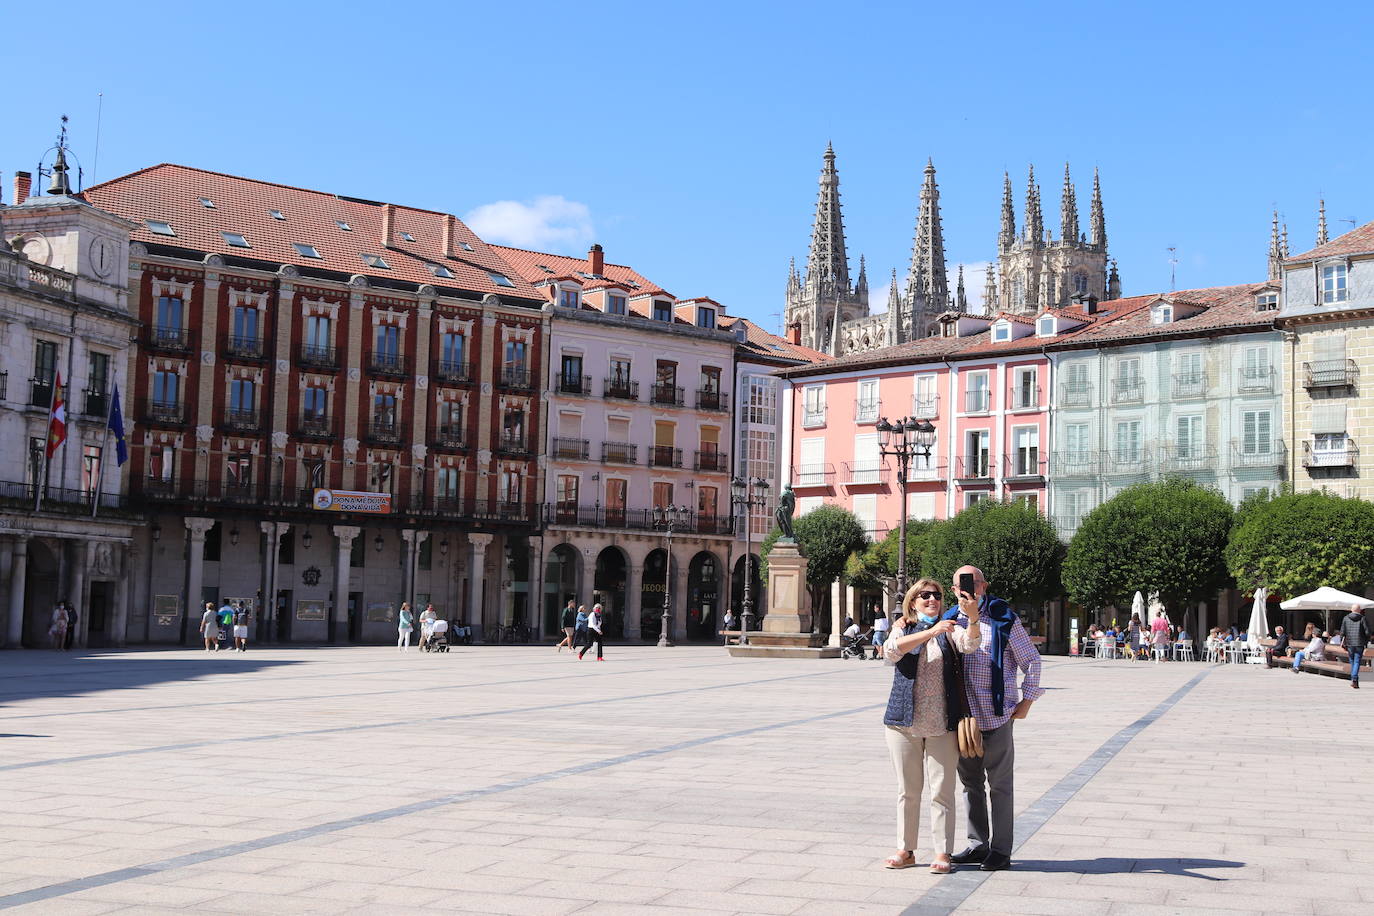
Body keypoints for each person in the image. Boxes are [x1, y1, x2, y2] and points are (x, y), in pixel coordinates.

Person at [948, 566, 1043, 873]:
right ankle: (978, 844)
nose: (967, 589)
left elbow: (1032, 660)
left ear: (984, 585)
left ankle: (1001, 850)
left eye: (973, 583)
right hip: (964, 719)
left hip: (997, 715)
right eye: (960, 584)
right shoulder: (949, 619)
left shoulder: (1004, 618)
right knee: (970, 784)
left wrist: (1028, 699)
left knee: (1000, 785)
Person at [880, 579, 971, 875]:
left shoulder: (951, 628)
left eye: (937, 595)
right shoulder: (902, 627)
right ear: (913, 601)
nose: (932, 599)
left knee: (941, 791)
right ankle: (905, 849)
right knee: (908, 790)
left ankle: (942, 852)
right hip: (903, 722)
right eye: (925, 595)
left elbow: (970, 644)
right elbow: (891, 651)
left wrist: (975, 619)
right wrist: (929, 631)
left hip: (942, 723)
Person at [1338, 604, 1370, 690]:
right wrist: (1366, 641)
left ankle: (1354, 679)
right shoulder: (1362, 618)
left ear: (1351, 610)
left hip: (1349, 643)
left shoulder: (1346, 618)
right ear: (1359, 610)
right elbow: (1367, 632)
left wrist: (1342, 641)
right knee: (1357, 662)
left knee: (1352, 662)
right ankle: (1355, 679)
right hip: (1359, 643)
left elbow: (1342, 631)